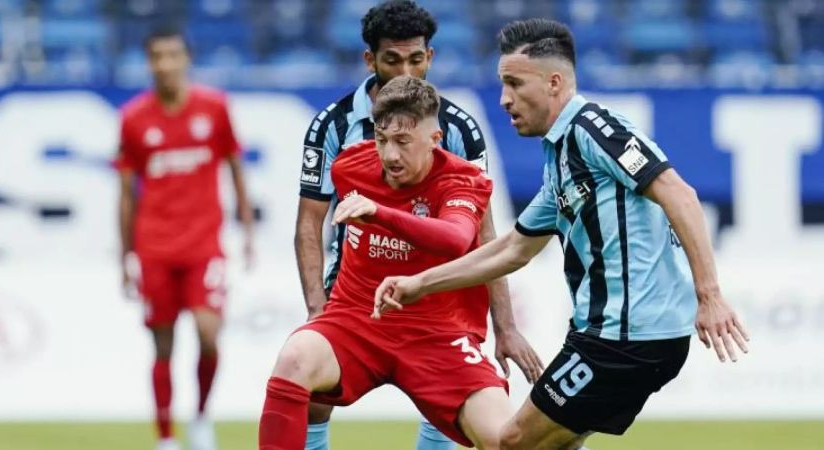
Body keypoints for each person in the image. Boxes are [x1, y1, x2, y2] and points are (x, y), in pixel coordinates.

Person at [374, 19, 750, 450]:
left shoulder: (594, 128)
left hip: (625, 338)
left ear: (554, 82)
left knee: (513, 441)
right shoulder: (560, 158)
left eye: (514, 84)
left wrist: (710, 295)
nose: (504, 99)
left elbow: (680, 195)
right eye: (502, 84)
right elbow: (514, 248)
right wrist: (419, 284)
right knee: (554, 444)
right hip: (610, 335)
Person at [295, 2, 542, 448]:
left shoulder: (459, 127)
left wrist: (504, 326)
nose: (406, 70)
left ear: (429, 56)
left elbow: (485, 235)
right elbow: (310, 225)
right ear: (370, 60)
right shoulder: (333, 125)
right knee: (311, 394)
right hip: (356, 291)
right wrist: (316, 307)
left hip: (441, 297)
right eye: (393, 60)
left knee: (447, 409)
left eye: (415, 59)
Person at [261, 76, 517, 450]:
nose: (390, 154)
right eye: (382, 139)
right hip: (357, 321)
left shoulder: (464, 181)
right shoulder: (349, 167)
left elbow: (456, 239)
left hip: (439, 333)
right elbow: (308, 223)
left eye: (402, 141)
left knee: (504, 439)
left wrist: (378, 213)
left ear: (435, 138)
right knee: (294, 358)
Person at [116, 26, 254, 450]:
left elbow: (235, 169)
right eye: (157, 56)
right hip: (155, 245)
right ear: (149, 62)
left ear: (186, 59)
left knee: (210, 332)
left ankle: (200, 417)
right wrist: (125, 256)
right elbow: (125, 193)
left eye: (173, 55)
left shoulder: (214, 108)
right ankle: (164, 436)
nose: (165, 65)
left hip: (203, 244)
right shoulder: (134, 118)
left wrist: (246, 230)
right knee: (162, 343)